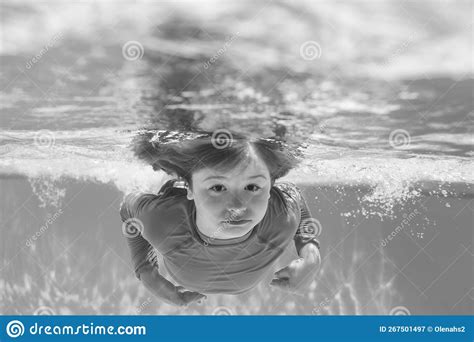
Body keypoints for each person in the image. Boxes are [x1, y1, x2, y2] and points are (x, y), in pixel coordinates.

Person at [120, 130, 321, 307]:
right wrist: (148, 274)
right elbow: (127, 209)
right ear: (189, 188)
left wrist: (312, 256)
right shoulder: (163, 220)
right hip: (179, 200)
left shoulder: (281, 217)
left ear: (270, 188)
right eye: (217, 188)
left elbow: (295, 196)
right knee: (171, 191)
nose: (237, 207)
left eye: (252, 187)